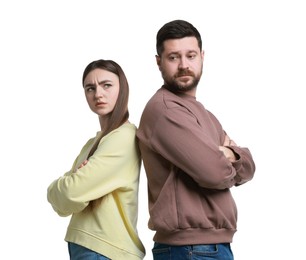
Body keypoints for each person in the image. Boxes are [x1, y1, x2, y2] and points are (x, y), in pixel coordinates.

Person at [136, 20, 256, 260]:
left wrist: (230, 154)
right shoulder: (166, 110)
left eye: (190, 55)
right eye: (173, 57)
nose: (183, 65)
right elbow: (214, 172)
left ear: (202, 56)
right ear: (158, 61)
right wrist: (222, 155)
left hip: (208, 247)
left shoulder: (203, 114)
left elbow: (249, 168)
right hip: (190, 249)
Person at [47, 59, 145, 260]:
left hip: (105, 248)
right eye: (90, 88)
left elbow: (71, 192)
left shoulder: (124, 137)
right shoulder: (94, 142)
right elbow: (63, 203)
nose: (98, 94)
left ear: (123, 88)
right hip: (89, 246)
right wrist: (67, 187)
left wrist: (69, 184)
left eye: (106, 85)